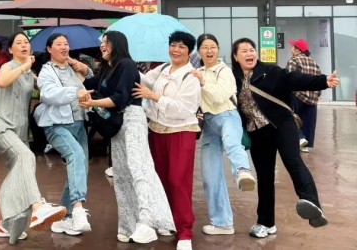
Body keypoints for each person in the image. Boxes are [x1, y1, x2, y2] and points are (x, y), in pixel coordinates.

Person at [231, 37, 339, 238]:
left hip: (281, 124)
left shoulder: (270, 71)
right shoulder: (233, 79)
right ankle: (265, 223)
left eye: (252, 49)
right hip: (257, 131)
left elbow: (294, 79)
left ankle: (312, 204)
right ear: (236, 57)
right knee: (264, 177)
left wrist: (323, 81)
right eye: (244, 51)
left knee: (293, 161)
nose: (249, 53)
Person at [77, 31, 175, 244]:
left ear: (116, 44)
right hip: (116, 124)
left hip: (132, 118)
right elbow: (91, 84)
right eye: (102, 42)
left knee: (139, 167)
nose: (102, 45)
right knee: (121, 174)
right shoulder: (106, 67)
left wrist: (92, 103)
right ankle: (128, 225)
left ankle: (148, 222)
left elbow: (120, 98)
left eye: (106, 42)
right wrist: (74, 66)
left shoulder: (127, 65)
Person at [0, 31, 67, 244]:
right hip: (2, 127)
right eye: (18, 42)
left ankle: (8, 227)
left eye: (26, 42)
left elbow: (48, 89)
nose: (24, 45)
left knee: (23, 174)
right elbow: (1, 82)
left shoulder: (29, 74)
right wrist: (24, 66)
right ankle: (37, 206)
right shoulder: (8, 66)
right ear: (11, 49)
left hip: (20, 132)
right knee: (27, 158)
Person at [133, 31, 201, 250]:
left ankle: (184, 232)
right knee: (160, 179)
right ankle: (167, 220)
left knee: (178, 181)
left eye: (182, 46)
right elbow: (142, 80)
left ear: (189, 51)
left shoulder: (191, 77)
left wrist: (154, 96)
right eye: (173, 45)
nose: (176, 50)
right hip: (157, 130)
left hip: (181, 132)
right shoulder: (162, 69)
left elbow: (183, 109)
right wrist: (124, 61)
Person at [190, 34, 256, 236]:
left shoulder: (224, 70)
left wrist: (202, 82)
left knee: (232, 143)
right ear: (199, 51)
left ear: (218, 49)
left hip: (227, 115)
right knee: (210, 174)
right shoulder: (196, 72)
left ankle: (242, 171)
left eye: (213, 46)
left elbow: (219, 96)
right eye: (204, 47)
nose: (209, 50)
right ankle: (222, 223)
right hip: (209, 123)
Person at [34, 33, 93, 236]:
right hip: (57, 125)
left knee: (80, 166)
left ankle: (64, 218)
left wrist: (85, 69)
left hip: (78, 124)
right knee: (75, 155)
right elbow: (48, 94)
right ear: (49, 49)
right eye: (58, 44)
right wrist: (74, 93)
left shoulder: (72, 68)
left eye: (66, 44)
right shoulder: (46, 71)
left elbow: (93, 83)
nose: (63, 47)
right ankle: (78, 209)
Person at [286, 38, 322, 153]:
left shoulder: (294, 61)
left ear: (297, 49)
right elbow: (319, 80)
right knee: (308, 122)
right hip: (312, 98)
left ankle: (300, 138)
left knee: (291, 117)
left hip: (297, 95)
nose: (291, 49)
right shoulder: (314, 63)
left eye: (292, 47)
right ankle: (305, 145)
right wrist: (317, 95)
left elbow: (290, 79)